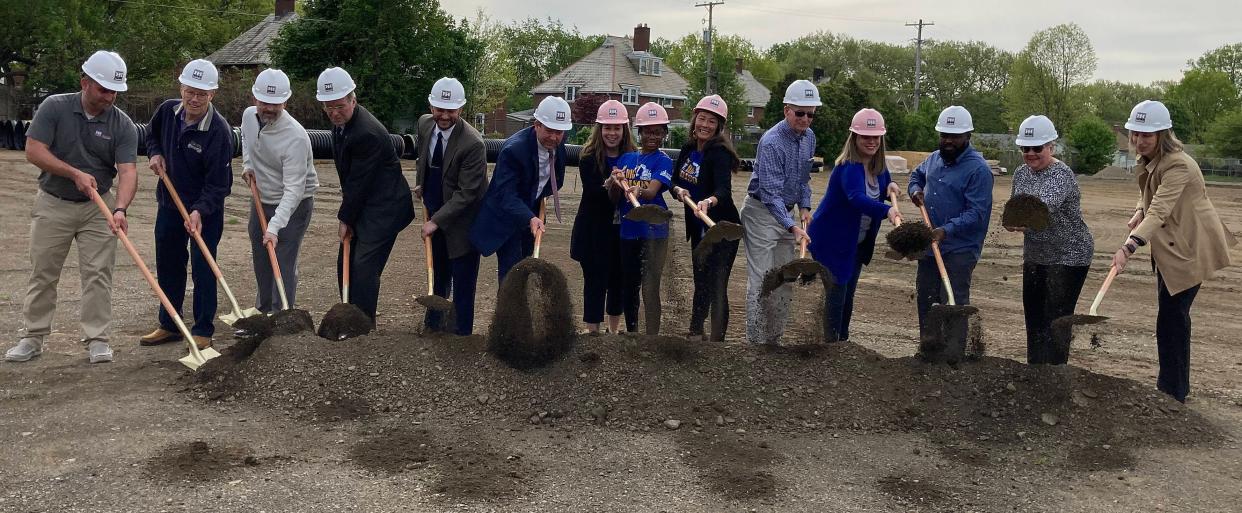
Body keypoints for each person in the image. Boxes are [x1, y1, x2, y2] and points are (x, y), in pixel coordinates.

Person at [6, 51, 137, 364]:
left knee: (98, 274)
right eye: (103, 89)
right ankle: (33, 337)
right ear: (85, 83)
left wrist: (119, 209)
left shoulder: (123, 124)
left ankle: (97, 339)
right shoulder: (55, 107)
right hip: (54, 201)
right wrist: (73, 173)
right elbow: (34, 151)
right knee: (43, 272)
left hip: (98, 206)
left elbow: (129, 171)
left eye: (114, 91)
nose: (110, 96)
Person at [1111, 100, 1236, 403]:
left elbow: (1161, 209)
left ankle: (1173, 392)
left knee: (1173, 317)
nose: (1140, 140)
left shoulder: (1178, 164)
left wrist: (1130, 245)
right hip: (1171, 245)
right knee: (1169, 317)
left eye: (1147, 135)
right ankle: (1170, 387)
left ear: (1163, 135)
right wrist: (1139, 208)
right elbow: (1149, 196)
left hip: (1190, 246)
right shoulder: (1151, 159)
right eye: (1136, 133)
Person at [139, 58, 233, 351]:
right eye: (190, 91)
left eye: (202, 93)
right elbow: (150, 136)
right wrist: (154, 153)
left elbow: (220, 184)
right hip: (169, 204)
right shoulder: (167, 111)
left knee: (203, 268)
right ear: (181, 87)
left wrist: (199, 210)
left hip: (205, 212)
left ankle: (203, 329)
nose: (194, 98)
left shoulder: (219, 132)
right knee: (169, 264)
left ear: (212, 95)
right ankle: (170, 324)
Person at [317, 66, 415, 322]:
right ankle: (348, 316)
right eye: (329, 107)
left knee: (363, 267)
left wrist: (345, 219)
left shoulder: (366, 133)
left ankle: (362, 327)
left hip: (385, 209)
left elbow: (360, 182)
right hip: (364, 204)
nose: (334, 113)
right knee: (345, 263)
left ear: (353, 99)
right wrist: (349, 217)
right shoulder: (342, 125)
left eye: (340, 106)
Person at [1003, 115, 1093, 365]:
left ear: (1051, 147)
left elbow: (1040, 209)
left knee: (1056, 319)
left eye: (1037, 148)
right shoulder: (1021, 174)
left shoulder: (1061, 174)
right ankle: (1036, 372)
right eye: (1025, 148)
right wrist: (1012, 220)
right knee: (1033, 315)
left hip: (1069, 255)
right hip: (1036, 253)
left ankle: (1055, 375)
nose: (1030, 153)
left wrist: (1016, 219)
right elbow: (1015, 210)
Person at [807, 108, 902, 343]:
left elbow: (885, 181)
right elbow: (857, 198)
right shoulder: (848, 167)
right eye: (865, 137)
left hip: (856, 242)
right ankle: (832, 343)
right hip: (833, 239)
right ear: (855, 138)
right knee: (838, 290)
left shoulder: (878, 167)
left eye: (875, 137)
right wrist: (887, 210)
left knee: (848, 292)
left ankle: (842, 341)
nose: (871, 142)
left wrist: (891, 188)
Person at [742, 79, 820, 345]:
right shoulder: (772, 142)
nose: (805, 119)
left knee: (785, 278)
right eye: (800, 113)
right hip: (761, 213)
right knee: (762, 278)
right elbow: (770, 194)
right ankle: (755, 343)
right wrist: (791, 226)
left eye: (811, 114)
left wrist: (805, 208)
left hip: (787, 215)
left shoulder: (809, 138)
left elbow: (802, 180)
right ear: (787, 110)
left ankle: (773, 340)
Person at [908, 105, 993, 338]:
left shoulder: (979, 170)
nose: (948, 141)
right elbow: (916, 175)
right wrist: (915, 190)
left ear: (968, 136)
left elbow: (977, 213)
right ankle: (928, 350)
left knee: (952, 301)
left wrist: (946, 230)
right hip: (930, 244)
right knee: (926, 298)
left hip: (960, 249)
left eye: (955, 136)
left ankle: (953, 357)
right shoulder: (934, 159)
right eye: (944, 135)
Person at [413, 77, 488, 336]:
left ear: (461, 109)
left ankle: (461, 334)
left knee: (463, 279)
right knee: (438, 271)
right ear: (431, 107)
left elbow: (467, 193)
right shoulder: (425, 124)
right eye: (439, 109)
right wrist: (420, 184)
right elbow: (423, 156)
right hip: (435, 207)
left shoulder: (473, 143)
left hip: (464, 221)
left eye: (450, 111)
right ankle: (434, 327)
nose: (444, 116)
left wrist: (435, 221)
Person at [240, 68, 317, 314]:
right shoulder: (248, 116)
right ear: (255, 99)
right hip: (261, 197)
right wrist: (248, 165)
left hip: (295, 205)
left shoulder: (296, 137)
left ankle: (281, 315)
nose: (269, 109)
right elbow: (246, 140)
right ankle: (262, 313)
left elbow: (294, 190)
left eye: (276, 103)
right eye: (264, 102)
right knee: (261, 259)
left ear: (285, 101)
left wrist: (274, 227)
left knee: (282, 260)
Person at [470, 96, 570, 285]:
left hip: (531, 217)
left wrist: (538, 204)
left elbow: (557, 181)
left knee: (526, 273)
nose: (554, 137)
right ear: (537, 124)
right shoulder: (514, 150)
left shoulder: (559, 147)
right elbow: (506, 194)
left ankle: (523, 313)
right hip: (506, 218)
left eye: (559, 132)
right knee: (511, 277)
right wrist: (529, 217)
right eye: (549, 131)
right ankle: (507, 313)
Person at [670, 95, 741, 342]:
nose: (705, 125)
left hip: (722, 228)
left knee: (717, 283)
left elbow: (723, 190)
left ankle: (717, 339)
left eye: (712, 121)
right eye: (702, 119)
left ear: (719, 126)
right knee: (701, 280)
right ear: (695, 119)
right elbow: (675, 181)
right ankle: (696, 331)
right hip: (699, 227)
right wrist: (678, 190)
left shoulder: (719, 153)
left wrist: (708, 201)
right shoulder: (689, 149)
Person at [570, 99, 634, 335]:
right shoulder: (588, 157)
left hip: (621, 232)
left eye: (617, 127)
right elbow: (593, 193)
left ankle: (614, 331)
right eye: (607, 127)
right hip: (594, 231)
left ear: (624, 130)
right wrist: (610, 183)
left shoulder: (632, 158)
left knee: (618, 279)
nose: (612, 133)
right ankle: (593, 331)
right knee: (595, 281)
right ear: (599, 129)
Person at [611, 102, 674, 335]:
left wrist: (638, 190)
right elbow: (614, 195)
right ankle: (633, 333)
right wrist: (615, 180)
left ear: (664, 134)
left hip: (655, 233)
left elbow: (652, 191)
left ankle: (652, 337)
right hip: (628, 231)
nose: (652, 136)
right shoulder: (626, 159)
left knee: (650, 287)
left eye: (658, 132)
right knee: (630, 285)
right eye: (647, 131)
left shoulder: (664, 161)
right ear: (640, 132)